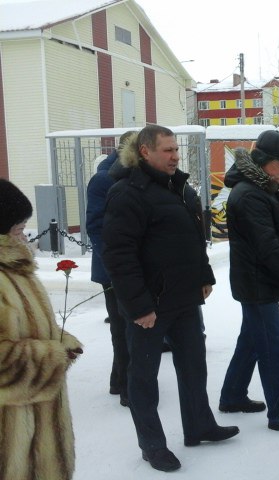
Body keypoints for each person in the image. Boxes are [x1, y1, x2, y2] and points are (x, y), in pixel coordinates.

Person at [102, 125, 238, 473]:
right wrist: (139, 306)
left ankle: (199, 426)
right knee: (143, 379)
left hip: (185, 299)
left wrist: (204, 276)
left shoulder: (178, 188)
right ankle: (152, 445)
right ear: (145, 151)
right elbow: (118, 256)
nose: (175, 156)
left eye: (176, 149)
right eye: (167, 150)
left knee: (193, 366)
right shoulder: (127, 193)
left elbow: (192, 239)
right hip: (150, 306)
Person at [220, 129, 279, 431]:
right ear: (261, 161)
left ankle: (233, 395)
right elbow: (267, 246)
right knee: (272, 344)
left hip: (257, 281)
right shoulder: (250, 195)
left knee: (251, 339)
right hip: (257, 283)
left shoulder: (259, 188)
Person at [0, 179, 84, 480]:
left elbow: (25, 328)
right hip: (12, 444)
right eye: (18, 230)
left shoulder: (13, 270)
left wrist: (61, 340)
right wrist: (51, 356)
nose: (25, 237)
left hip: (38, 433)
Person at [86, 130, 134, 407]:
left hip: (125, 266)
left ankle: (119, 380)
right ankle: (126, 385)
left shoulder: (127, 174)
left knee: (126, 325)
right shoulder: (104, 179)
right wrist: (117, 264)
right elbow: (95, 226)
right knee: (122, 326)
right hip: (113, 269)